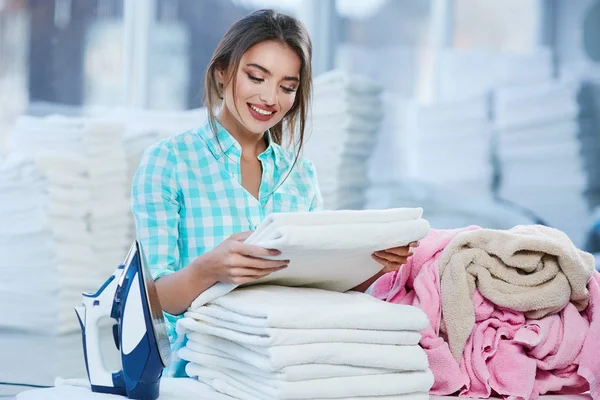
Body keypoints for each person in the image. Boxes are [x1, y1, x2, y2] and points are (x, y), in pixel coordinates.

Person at [131, 9, 418, 377]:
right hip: (199, 371)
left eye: (287, 86)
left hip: (286, 368)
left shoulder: (300, 175)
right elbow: (151, 300)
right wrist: (209, 269)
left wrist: (372, 265)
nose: (270, 98)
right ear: (222, 73)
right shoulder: (169, 162)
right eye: (256, 77)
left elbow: (316, 288)